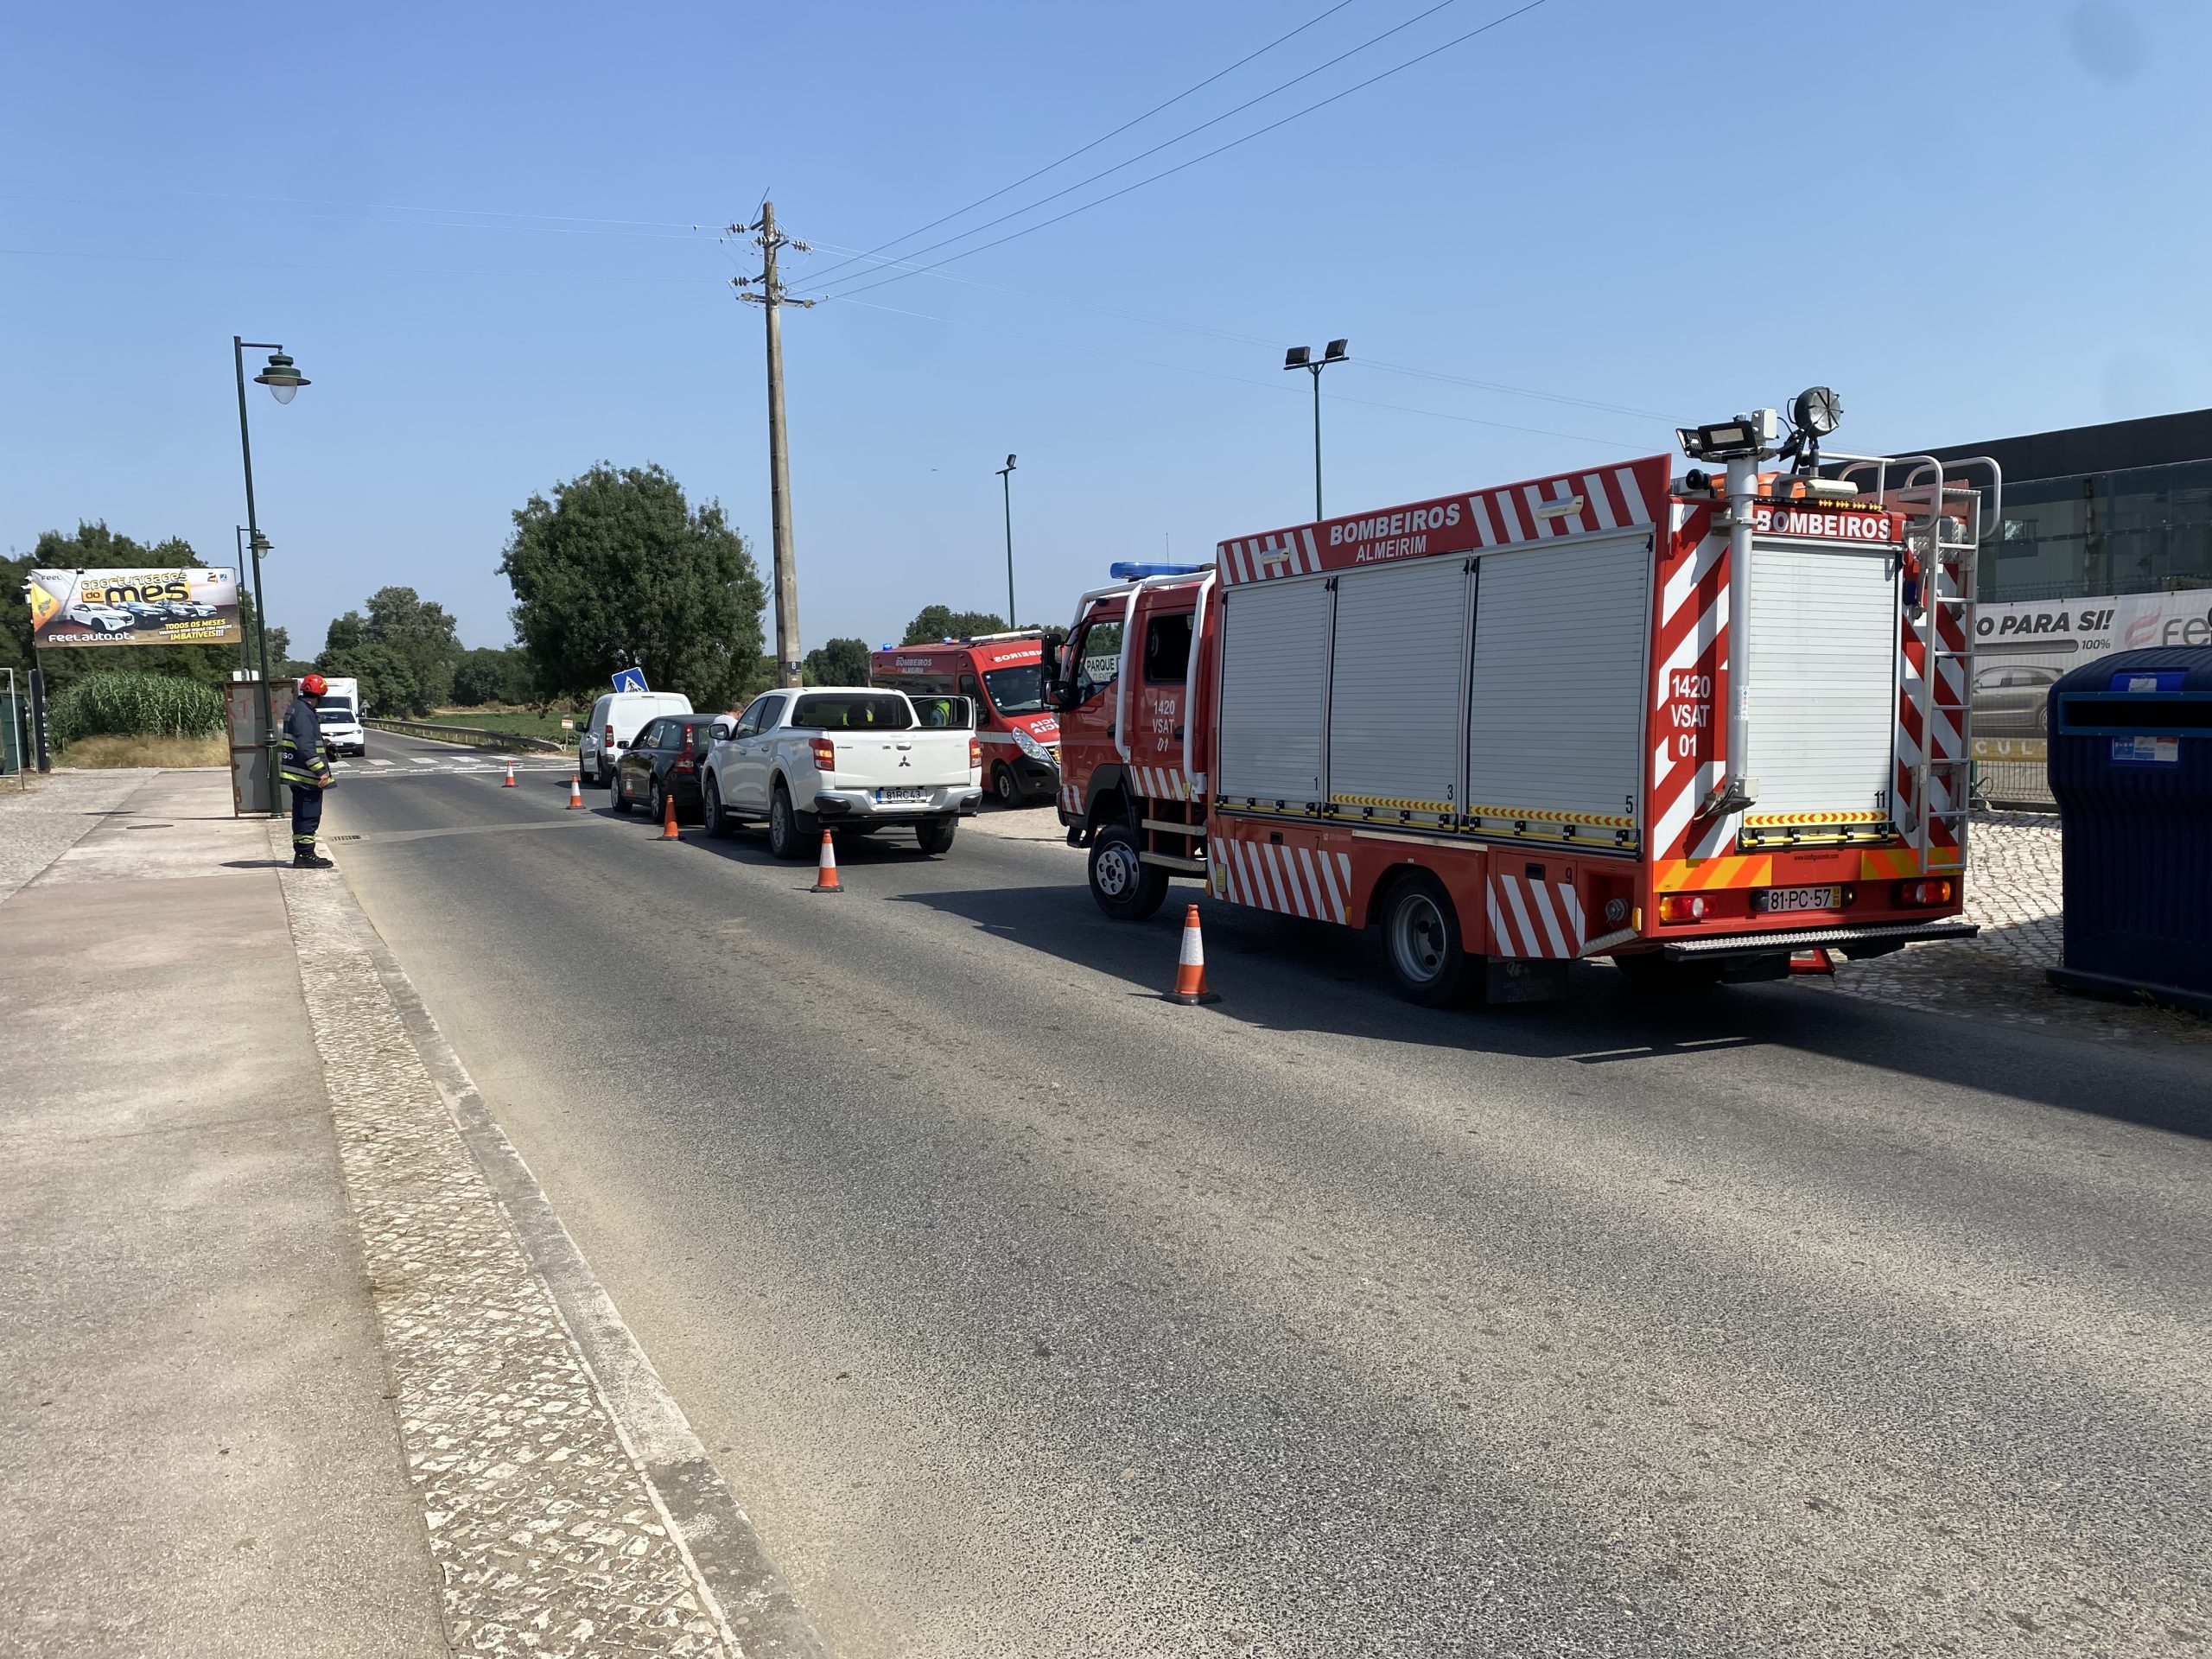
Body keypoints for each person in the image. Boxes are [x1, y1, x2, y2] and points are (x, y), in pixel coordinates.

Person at [281, 672, 337, 868]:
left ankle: (302, 853)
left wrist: (325, 745)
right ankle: (305, 855)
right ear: (320, 696)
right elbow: (305, 745)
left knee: (301, 813)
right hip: (305, 775)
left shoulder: (297, 709)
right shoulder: (304, 712)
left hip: (298, 772)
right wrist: (321, 770)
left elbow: (306, 740)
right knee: (309, 814)